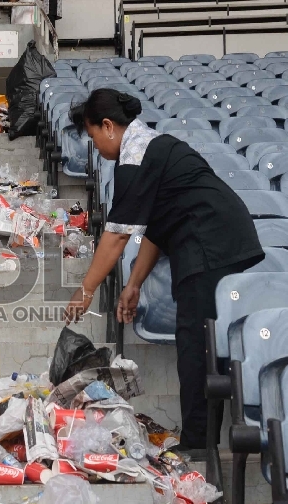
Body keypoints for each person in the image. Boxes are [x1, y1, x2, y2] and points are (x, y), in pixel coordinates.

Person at [64, 88, 264, 456]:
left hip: (210, 245)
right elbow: (156, 228)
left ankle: (199, 446)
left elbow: (117, 234)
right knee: (202, 344)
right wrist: (134, 284)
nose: (96, 147)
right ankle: (202, 440)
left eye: (93, 137)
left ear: (108, 126)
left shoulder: (135, 155)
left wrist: (86, 289)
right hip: (222, 241)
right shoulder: (150, 146)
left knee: (196, 346)